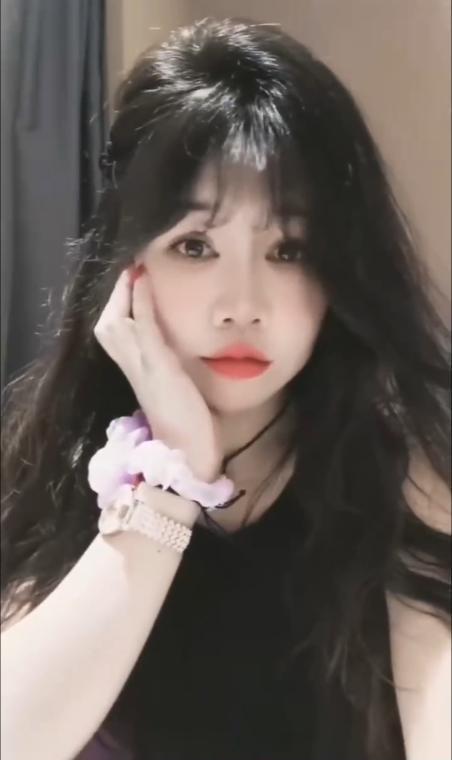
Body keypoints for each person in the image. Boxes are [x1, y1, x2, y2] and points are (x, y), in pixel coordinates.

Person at [1, 16, 450, 760]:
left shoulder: (399, 472)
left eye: (288, 250)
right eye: (194, 244)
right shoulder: (64, 462)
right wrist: (172, 477)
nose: (242, 305)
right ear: (128, 265)